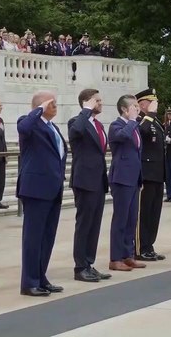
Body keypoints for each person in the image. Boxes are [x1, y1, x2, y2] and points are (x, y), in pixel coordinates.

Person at [16, 91, 67, 297]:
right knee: (33, 237)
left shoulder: (52, 127)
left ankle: (41, 277)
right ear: (41, 106)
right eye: (52, 103)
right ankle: (29, 282)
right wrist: (38, 109)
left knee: (47, 237)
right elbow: (23, 127)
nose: (55, 106)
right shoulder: (29, 122)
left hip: (53, 188)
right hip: (36, 188)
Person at [68, 89, 115, 280]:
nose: (101, 103)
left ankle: (89, 262)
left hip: (98, 180)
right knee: (84, 224)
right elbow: (75, 132)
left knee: (94, 225)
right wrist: (85, 111)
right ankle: (80, 267)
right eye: (97, 100)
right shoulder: (77, 122)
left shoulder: (97, 124)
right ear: (87, 102)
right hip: (84, 181)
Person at [108, 95, 147, 272]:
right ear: (124, 109)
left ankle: (127, 255)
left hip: (134, 178)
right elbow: (122, 137)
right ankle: (115, 258)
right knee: (120, 219)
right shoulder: (116, 125)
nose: (137, 109)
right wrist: (132, 121)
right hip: (121, 178)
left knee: (132, 219)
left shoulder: (135, 126)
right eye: (133, 106)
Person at [134, 88, 166, 262]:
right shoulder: (140, 120)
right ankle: (139, 247)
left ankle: (149, 245)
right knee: (143, 213)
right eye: (151, 102)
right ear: (142, 104)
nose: (155, 105)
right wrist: (150, 114)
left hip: (157, 174)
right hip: (145, 174)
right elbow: (140, 133)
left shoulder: (155, 121)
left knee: (154, 213)